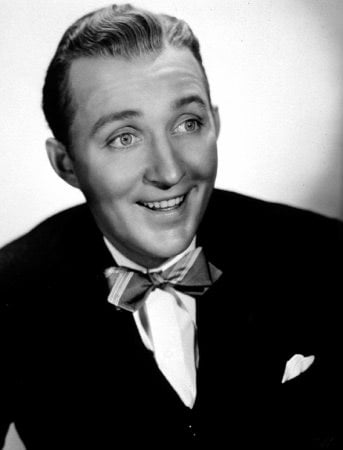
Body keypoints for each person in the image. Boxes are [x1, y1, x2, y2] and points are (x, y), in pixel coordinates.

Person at [0, 3, 342, 449]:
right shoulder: (10, 293)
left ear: (215, 124)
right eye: (124, 137)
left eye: (187, 123)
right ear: (66, 163)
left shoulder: (326, 252)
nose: (168, 171)